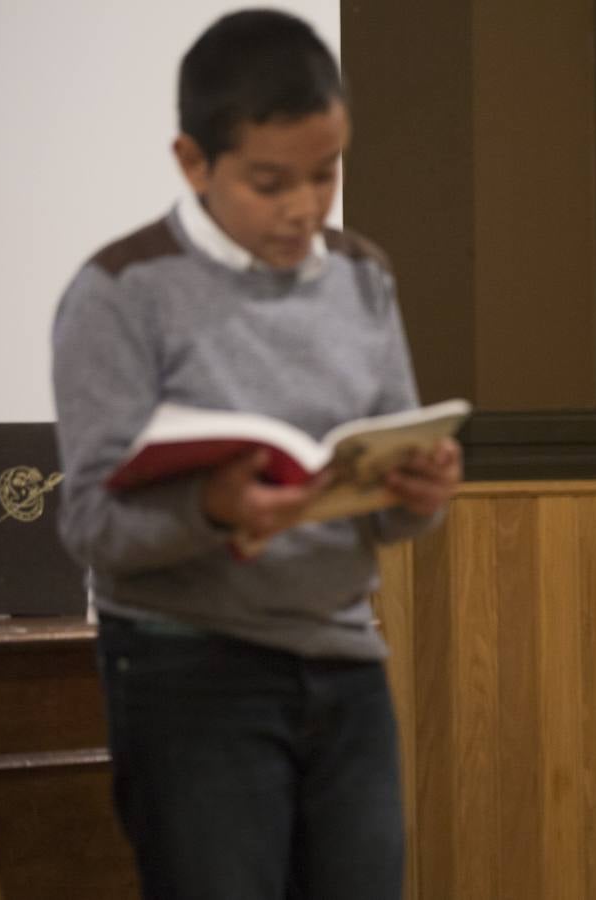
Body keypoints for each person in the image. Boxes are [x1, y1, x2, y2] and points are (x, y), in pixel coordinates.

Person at [51, 11, 460, 899]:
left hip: (345, 658)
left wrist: (419, 491)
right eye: (271, 182)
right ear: (193, 163)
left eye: (325, 174)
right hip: (186, 670)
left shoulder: (362, 275)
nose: (306, 208)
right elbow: (87, 524)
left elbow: (390, 512)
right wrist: (214, 508)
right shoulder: (121, 291)